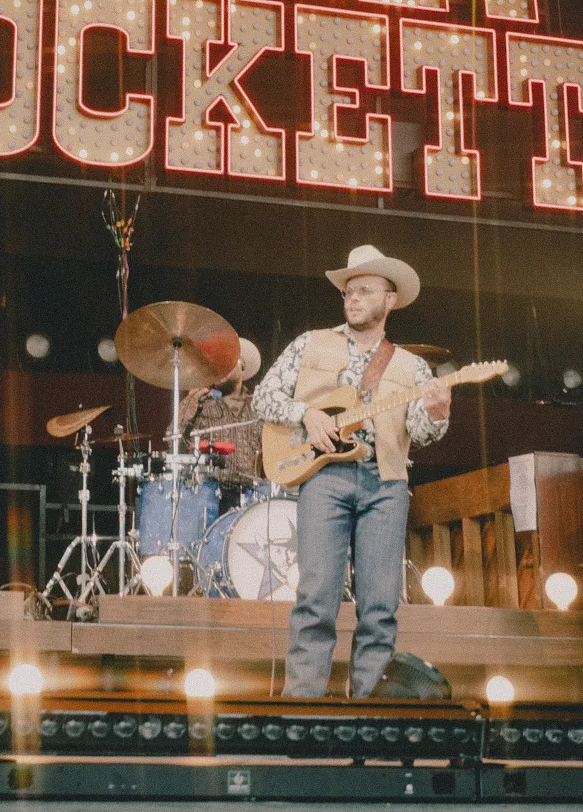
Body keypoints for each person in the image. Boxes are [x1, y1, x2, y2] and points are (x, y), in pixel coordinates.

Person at [251, 244, 451, 698]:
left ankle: (370, 709)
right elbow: (264, 398)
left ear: (390, 299)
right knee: (316, 597)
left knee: (380, 607)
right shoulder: (309, 343)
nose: (353, 298)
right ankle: (300, 709)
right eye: (348, 291)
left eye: (364, 290)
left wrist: (438, 412)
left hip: (387, 483)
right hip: (325, 478)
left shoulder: (411, 365)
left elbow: (419, 433)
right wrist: (308, 414)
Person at [177, 338, 263, 506]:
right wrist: (187, 411)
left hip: (251, 497)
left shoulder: (259, 407)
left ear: (242, 366)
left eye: (227, 362)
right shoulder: (201, 403)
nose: (221, 368)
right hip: (209, 496)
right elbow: (173, 443)